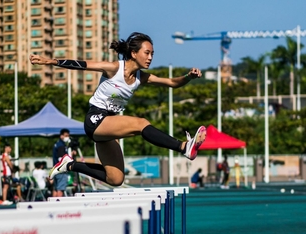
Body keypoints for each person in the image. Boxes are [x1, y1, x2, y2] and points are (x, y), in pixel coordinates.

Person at [30, 32, 206, 187]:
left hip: (109, 126)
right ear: (133, 53)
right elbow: (82, 64)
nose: (150, 57)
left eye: (152, 54)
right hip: (95, 120)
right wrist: (50, 61)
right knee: (141, 123)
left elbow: (172, 83)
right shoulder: (114, 68)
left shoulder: (141, 77)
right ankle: (183, 147)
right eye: (147, 53)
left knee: (115, 179)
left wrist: (188, 77)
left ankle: (69, 165)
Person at [52, 129, 70, 197]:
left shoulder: (56, 144)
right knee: (60, 189)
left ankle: (52, 205)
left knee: (56, 189)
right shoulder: (61, 145)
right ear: (61, 136)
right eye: (66, 135)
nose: (67, 137)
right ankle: (58, 205)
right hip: (61, 170)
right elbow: (61, 158)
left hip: (55, 168)